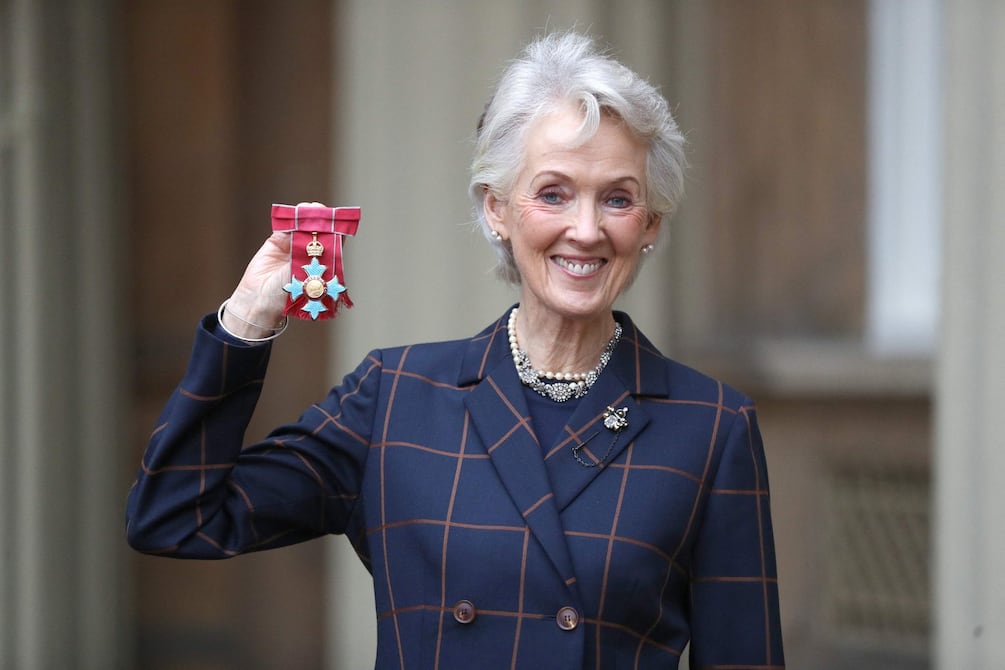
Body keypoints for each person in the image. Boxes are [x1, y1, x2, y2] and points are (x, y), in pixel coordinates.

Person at [127, 31, 785, 669]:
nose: (585, 230)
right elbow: (177, 518)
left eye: (617, 199)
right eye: (552, 193)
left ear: (649, 224)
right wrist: (245, 321)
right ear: (497, 208)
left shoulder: (710, 426)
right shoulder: (395, 397)